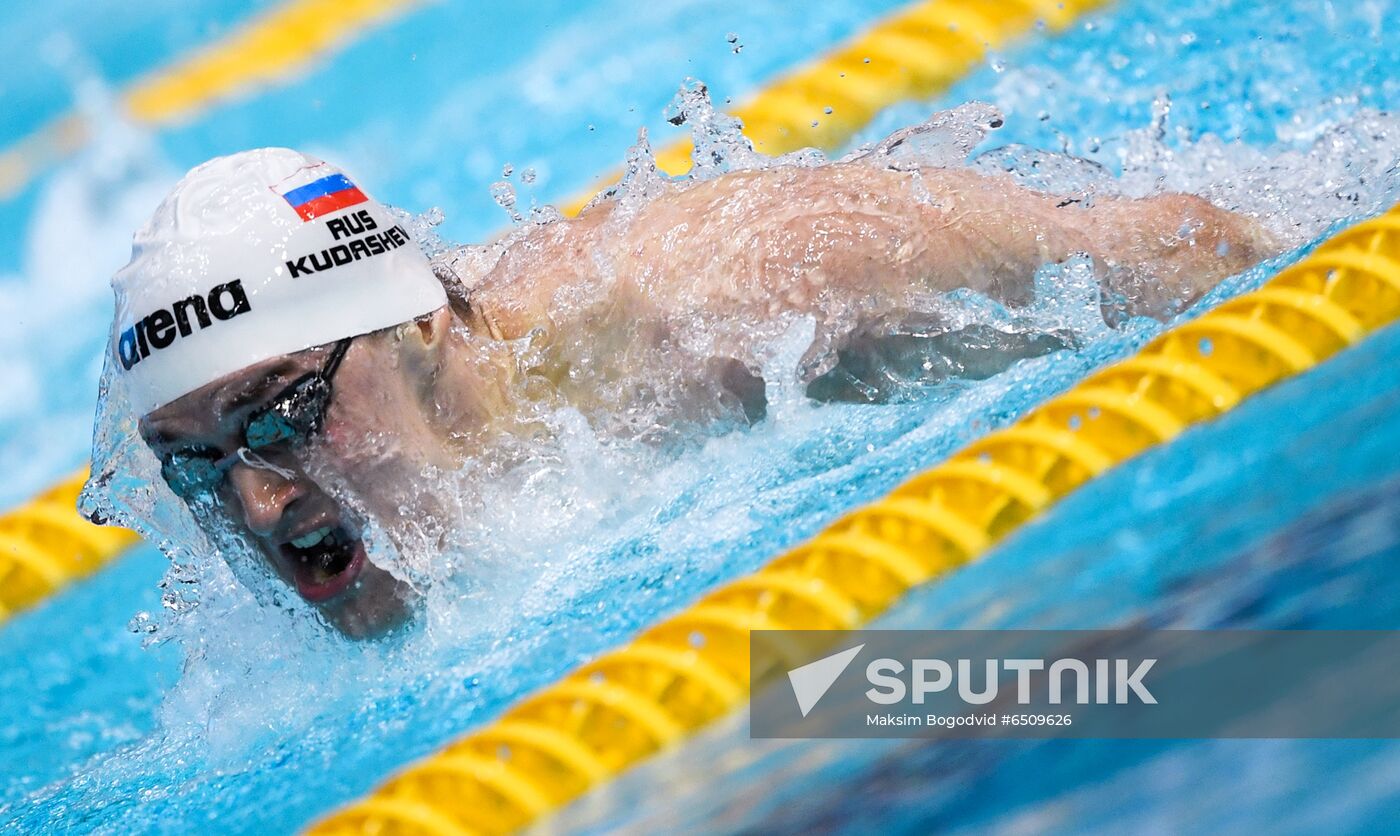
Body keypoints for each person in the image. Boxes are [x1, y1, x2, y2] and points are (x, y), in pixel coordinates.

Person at [102, 144, 1276, 637]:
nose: (254, 503)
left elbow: (1201, 254)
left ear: (413, 321)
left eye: (281, 412)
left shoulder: (729, 301)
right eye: (192, 455)